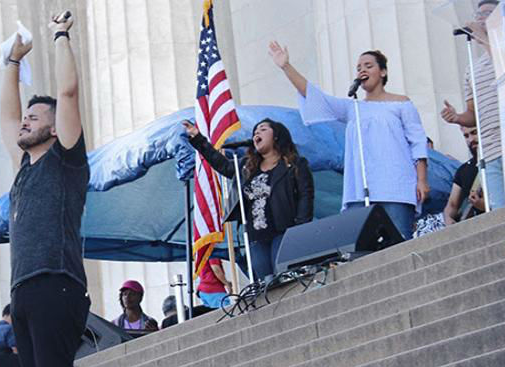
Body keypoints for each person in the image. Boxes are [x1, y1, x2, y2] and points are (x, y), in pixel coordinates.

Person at [0, 11, 91, 367]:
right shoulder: (23, 169)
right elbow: (6, 117)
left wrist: (59, 35)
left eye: (34, 117)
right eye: (27, 116)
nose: (24, 120)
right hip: (23, 288)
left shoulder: (65, 160)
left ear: (54, 130)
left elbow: (68, 94)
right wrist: (12, 63)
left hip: (57, 282)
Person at [269, 41, 429, 240]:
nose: (362, 70)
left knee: (399, 242)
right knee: (361, 247)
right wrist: (286, 66)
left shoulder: (401, 103)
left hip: (395, 185)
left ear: (383, 72)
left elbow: (417, 142)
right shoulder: (352, 107)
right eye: (359, 68)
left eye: (368, 66)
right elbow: (313, 96)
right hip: (361, 189)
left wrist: (421, 180)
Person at [183, 118, 315, 281]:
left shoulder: (295, 164)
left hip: (284, 230)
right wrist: (198, 138)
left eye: (263, 129)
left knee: (283, 274)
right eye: (255, 132)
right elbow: (222, 165)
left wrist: (300, 227)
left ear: (276, 136)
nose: (257, 133)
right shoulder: (247, 166)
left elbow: (306, 196)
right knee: (265, 281)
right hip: (256, 235)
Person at [441, 0, 505, 211]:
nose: (480, 19)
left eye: (487, 14)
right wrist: (457, 117)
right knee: (498, 211)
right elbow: (472, 113)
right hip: (491, 148)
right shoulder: (472, 68)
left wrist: (485, 37)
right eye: (478, 15)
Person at [444, 126, 485, 224]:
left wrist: (484, 205)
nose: (471, 139)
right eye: (466, 136)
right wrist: (448, 218)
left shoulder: (500, 161)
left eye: (474, 133)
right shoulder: (463, 170)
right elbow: (452, 204)